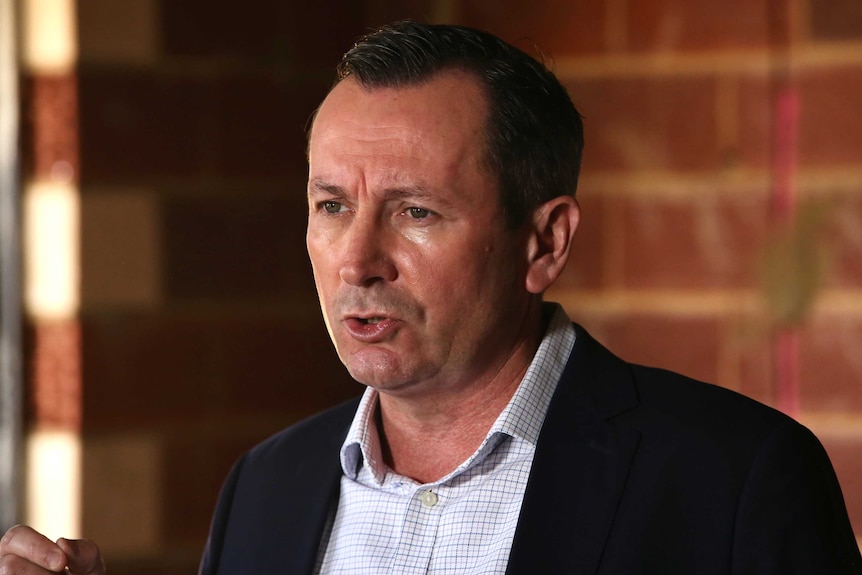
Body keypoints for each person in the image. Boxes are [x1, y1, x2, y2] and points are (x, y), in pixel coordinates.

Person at [2, 20, 861, 575]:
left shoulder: (736, 480)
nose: (358, 260)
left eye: (415, 212)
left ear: (544, 242)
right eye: (332, 206)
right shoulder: (265, 488)